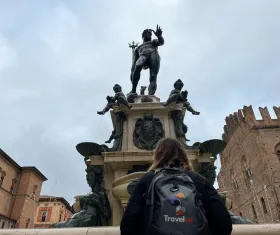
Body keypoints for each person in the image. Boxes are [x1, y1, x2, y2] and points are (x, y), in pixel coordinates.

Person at [120, 137, 232, 235]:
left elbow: (127, 225)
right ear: (183, 155)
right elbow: (224, 223)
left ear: (158, 155)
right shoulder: (198, 180)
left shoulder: (148, 180)